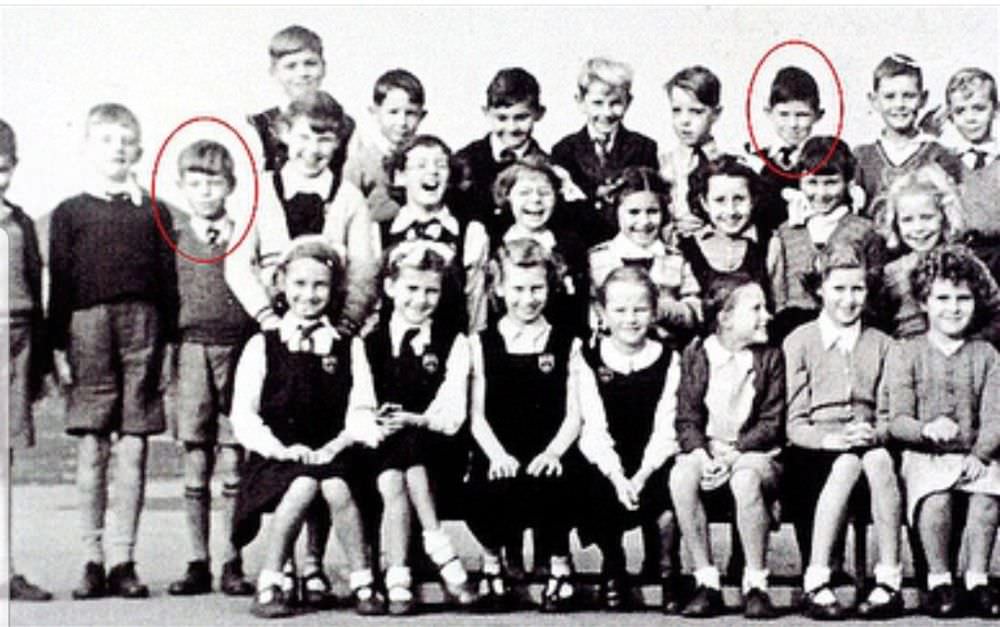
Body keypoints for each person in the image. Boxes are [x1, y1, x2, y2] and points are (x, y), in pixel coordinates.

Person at [48, 103, 179, 599]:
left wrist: (168, 344)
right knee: (91, 444)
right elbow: (59, 283)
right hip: (87, 327)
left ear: (139, 150)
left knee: (135, 443)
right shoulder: (69, 212)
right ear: (86, 148)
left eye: (126, 139)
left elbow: (169, 283)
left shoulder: (155, 211)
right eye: (106, 139)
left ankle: (124, 558)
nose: (117, 148)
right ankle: (92, 556)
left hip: (144, 325)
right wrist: (57, 345)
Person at [229, 236, 382, 618]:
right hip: (277, 455)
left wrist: (339, 443)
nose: (309, 295)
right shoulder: (263, 344)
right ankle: (272, 578)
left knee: (334, 485)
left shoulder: (348, 346)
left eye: (319, 286)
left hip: (334, 451)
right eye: (299, 284)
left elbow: (362, 407)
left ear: (334, 290)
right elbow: (244, 415)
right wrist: (281, 450)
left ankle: (362, 579)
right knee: (301, 485)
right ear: (281, 283)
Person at [782, 243, 903, 619]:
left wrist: (874, 433)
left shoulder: (883, 344)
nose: (848, 300)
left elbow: (890, 411)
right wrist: (828, 440)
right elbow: (794, 421)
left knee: (880, 458)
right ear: (820, 288)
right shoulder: (799, 341)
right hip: (815, 446)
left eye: (857, 289)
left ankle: (889, 579)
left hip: (868, 441)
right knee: (847, 464)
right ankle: (816, 578)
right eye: (839, 289)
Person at [466, 238, 585, 613]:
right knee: (484, 486)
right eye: (518, 288)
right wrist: (497, 454)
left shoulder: (569, 342)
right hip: (500, 447)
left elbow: (575, 412)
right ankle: (492, 564)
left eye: (537, 288)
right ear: (499, 287)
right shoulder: (480, 342)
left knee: (555, 480)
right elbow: (477, 414)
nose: (527, 298)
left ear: (550, 287)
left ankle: (560, 567)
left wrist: (554, 451)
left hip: (551, 445)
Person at [359, 241, 477, 614]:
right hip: (380, 447)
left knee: (406, 455)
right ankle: (440, 551)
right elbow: (360, 404)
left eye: (431, 291)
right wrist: (378, 423)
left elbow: (452, 412)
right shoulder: (367, 343)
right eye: (411, 288)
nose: (420, 300)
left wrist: (416, 419)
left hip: (439, 450)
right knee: (396, 470)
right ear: (391, 287)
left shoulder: (454, 343)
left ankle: (398, 579)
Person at [886, 244, 1000, 619]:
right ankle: (939, 581)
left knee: (987, 496)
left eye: (963, 298)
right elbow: (897, 419)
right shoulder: (907, 352)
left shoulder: (986, 355)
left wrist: (980, 454)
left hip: (975, 453)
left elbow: (996, 416)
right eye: (942, 298)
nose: (953, 307)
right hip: (924, 455)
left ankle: (978, 579)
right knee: (936, 499)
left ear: (976, 302)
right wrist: (925, 429)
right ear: (923, 302)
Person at [164, 140, 256, 597]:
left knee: (234, 459)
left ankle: (231, 560)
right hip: (192, 349)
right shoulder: (176, 236)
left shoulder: (244, 232)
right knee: (196, 458)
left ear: (230, 185)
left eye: (214, 181)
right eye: (195, 183)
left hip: (237, 349)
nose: (204, 191)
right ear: (182, 186)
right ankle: (197, 559)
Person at [669, 275, 785, 619]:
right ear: (725, 318)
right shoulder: (696, 354)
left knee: (745, 480)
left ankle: (755, 583)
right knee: (681, 476)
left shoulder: (769, 358)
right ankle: (706, 581)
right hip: (710, 451)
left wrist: (736, 452)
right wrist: (702, 454)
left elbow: (771, 422)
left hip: (755, 455)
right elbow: (686, 418)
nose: (767, 316)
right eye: (756, 309)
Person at [575, 266, 685, 612]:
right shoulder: (589, 359)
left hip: (652, 458)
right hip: (609, 459)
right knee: (595, 485)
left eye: (639, 309)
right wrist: (618, 476)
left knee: (672, 492)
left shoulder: (669, 359)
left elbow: (667, 427)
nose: (630, 318)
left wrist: (641, 475)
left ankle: (668, 570)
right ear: (603, 314)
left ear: (653, 312)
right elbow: (593, 427)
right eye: (620, 310)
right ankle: (614, 567)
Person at [0, 118, 52, 601]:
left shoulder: (19, 223)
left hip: (16, 344)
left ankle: (5, 568)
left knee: (4, 460)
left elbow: (35, 295)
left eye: (4, 169)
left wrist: (39, 366)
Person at [770, 137, 889, 344]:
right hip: (795, 336)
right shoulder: (786, 232)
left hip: (851, 333)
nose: (821, 193)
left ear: (848, 182)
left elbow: (875, 294)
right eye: (812, 183)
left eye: (831, 183)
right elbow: (779, 296)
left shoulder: (865, 231)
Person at [879, 163, 1000, 346]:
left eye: (927, 217)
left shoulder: (969, 263)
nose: (918, 229)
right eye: (908, 220)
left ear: (944, 216)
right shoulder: (892, 273)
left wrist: (971, 344)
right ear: (896, 224)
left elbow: (997, 312)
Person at [382, 134, 490, 334]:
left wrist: (474, 347)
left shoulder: (471, 232)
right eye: (421, 165)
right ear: (400, 176)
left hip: (451, 349)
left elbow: (476, 302)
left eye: (440, 165)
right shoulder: (379, 232)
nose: (432, 171)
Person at [552, 56, 659, 246]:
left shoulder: (643, 147)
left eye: (615, 103)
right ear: (580, 102)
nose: (607, 113)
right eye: (598, 103)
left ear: (629, 102)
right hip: (581, 244)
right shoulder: (564, 150)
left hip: (630, 243)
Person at [588, 166, 701, 347]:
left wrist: (664, 309)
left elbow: (695, 310)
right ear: (616, 211)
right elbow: (592, 311)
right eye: (633, 212)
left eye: (652, 212)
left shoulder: (675, 259)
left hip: (668, 350)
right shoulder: (598, 258)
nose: (644, 222)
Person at [854, 54, 961, 222]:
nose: (899, 105)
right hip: (873, 245)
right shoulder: (861, 157)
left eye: (908, 96)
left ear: (923, 99)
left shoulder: (939, 155)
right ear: (874, 100)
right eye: (890, 97)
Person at [492, 155, 590, 335]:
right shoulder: (494, 242)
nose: (536, 200)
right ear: (507, 196)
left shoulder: (571, 245)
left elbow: (579, 306)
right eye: (524, 193)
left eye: (545, 193)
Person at [677, 155, 778, 317]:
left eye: (739, 199)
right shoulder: (686, 246)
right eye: (720, 200)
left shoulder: (769, 244)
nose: (731, 211)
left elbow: (778, 305)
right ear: (704, 203)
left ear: (753, 200)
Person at [246, 25, 353, 176]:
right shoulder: (258, 127)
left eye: (310, 63)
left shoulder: (347, 125)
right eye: (291, 66)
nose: (303, 73)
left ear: (324, 67)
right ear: (274, 72)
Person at [343, 68, 427, 224]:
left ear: (422, 116)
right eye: (393, 112)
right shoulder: (361, 162)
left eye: (410, 113)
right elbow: (345, 208)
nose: (402, 122)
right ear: (374, 112)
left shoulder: (427, 159)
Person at [660, 65, 726, 237]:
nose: (684, 121)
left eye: (696, 112)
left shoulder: (730, 163)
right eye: (676, 111)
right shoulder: (662, 164)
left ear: (716, 113)